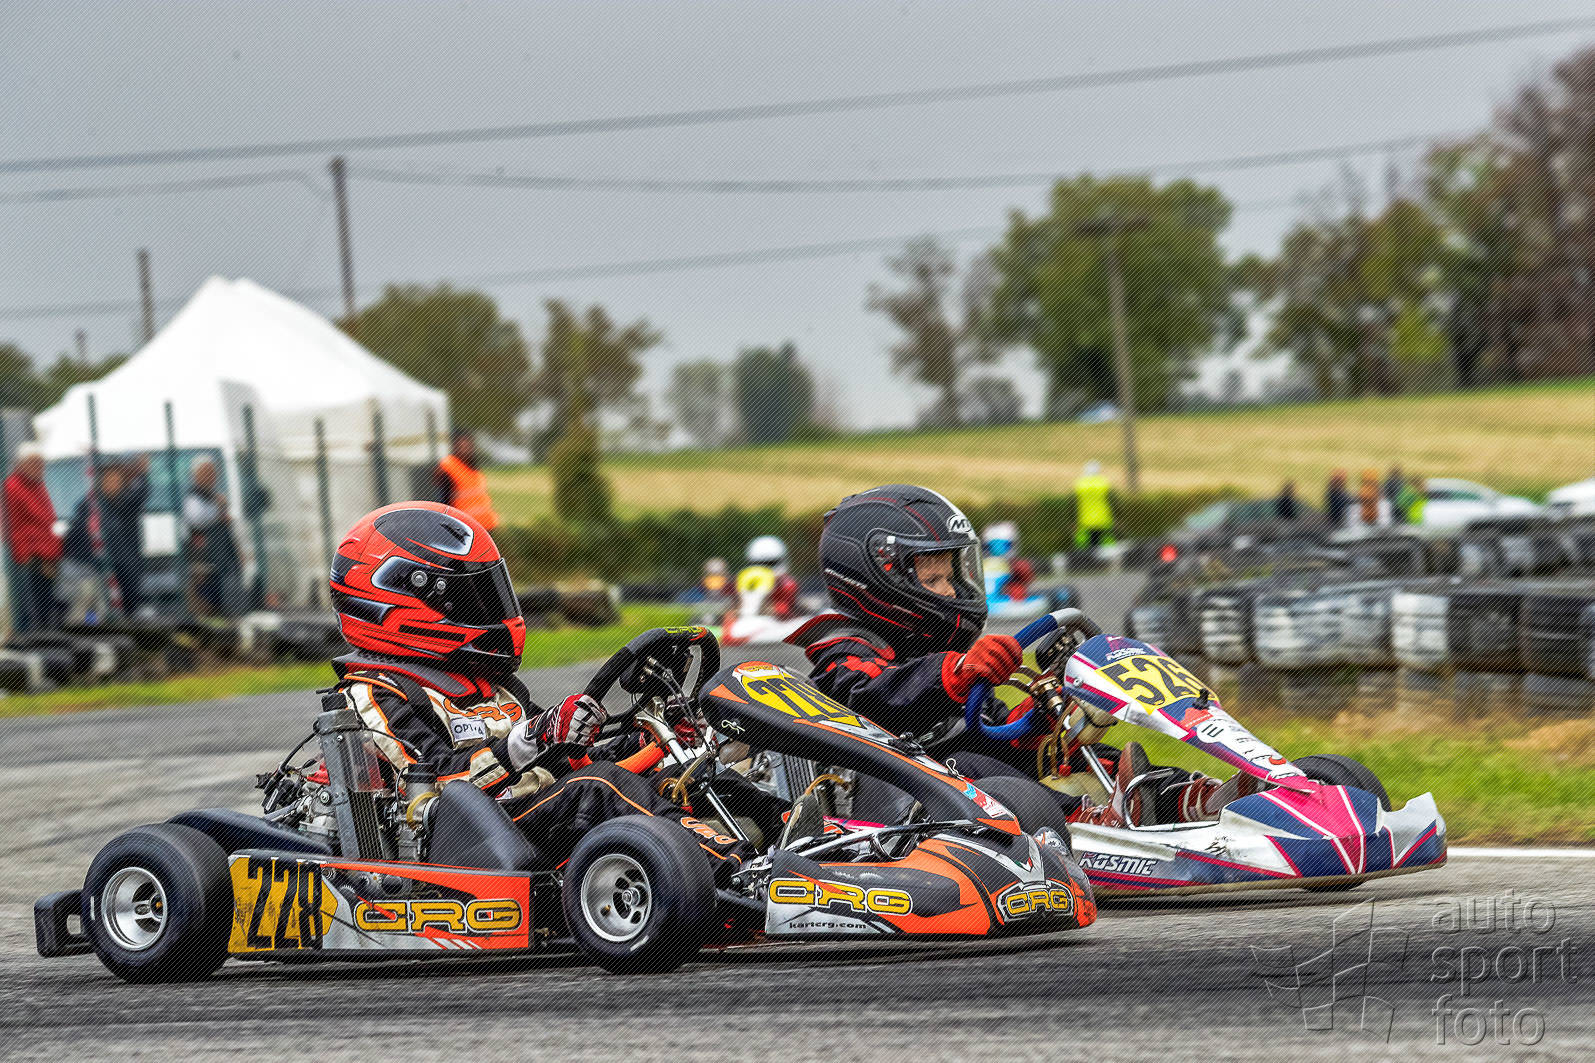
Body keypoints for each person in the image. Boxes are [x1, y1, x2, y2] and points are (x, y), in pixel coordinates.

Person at [328, 500, 753, 881]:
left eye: (490, 592)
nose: (491, 610)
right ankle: (735, 871)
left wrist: (647, 738)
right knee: (598, 787)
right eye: (469, 598)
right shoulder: (374, 693)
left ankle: (785, 848)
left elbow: (564, 757)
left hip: (535, 813)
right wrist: (532, 737)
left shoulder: (493, 686)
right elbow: (438, 778)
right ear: (400, 603)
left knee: (689, 778)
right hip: (473, 838)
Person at [787, 484, 1255, 828]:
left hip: (949, 783)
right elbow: (872, 697)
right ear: (877, 579)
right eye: (933, 580)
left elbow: (984, 730)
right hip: (883, 802)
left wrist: (1039, 724)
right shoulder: (843, 646)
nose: (949, 591)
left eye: (951, 576)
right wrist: (956, 673)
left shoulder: (935, 648)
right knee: (970, 772)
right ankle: (1093, 826)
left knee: (1087, 758)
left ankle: (1193, 799)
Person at [3, 442, 62, 631]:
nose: (39, 467)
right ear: (21, 464)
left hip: (46, 555)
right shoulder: (12, 487)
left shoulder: (38, 485)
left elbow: (49, 520)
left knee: (47, 608)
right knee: (31, 611)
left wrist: (53, 555)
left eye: (41, 463)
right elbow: (12, 527)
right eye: (34, 463)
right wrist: (27, 557)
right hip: (29, 559)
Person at [184, 459, 242, 617]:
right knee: (205, 599)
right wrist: (218, 512)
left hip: (223, 557)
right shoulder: (194, 496)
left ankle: (227, 620)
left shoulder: (214, 495)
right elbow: (196, 519)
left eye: (212, 473)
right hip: (204, 558)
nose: (210, 477)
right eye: (205, 473)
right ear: (195, 476)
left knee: (226, 595)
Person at [434, 430, 499, 531]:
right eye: (461, 445)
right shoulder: (448, 466)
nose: (465, 448)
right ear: (454, 446)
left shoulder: (472, 465)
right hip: (465, 528)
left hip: (485, 525)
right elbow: (444, 501)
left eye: (467, 444)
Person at [734, 535, 798, 620]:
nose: (764, 568)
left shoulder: (787, 585)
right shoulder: (742, 579)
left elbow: (784, 612)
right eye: (759, 564)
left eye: (770, 563)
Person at [1073, 461, 1114, 549]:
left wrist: (1072, 519)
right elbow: (1112, 501)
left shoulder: (1080, 484)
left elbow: (1073, 504)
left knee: (1085, 549)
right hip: (1103, 520)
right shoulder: (1104, 483)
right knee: (1107, 549)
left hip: (1085, 521)